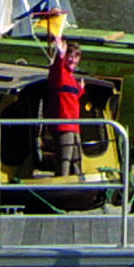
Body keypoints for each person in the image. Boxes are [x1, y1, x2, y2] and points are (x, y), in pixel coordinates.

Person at [45, 35, 85, 175]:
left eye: (76, 57)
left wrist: (80, 90)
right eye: (70, 56)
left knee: (76, 158)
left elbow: (70, 98)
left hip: (74, 125)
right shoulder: (59, 72)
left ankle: (78, 185)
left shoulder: (71, 77)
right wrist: (60, 54)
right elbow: (57, 66)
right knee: (64, 160)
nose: (72, 60)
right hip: (63, 125)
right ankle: (61, 185)